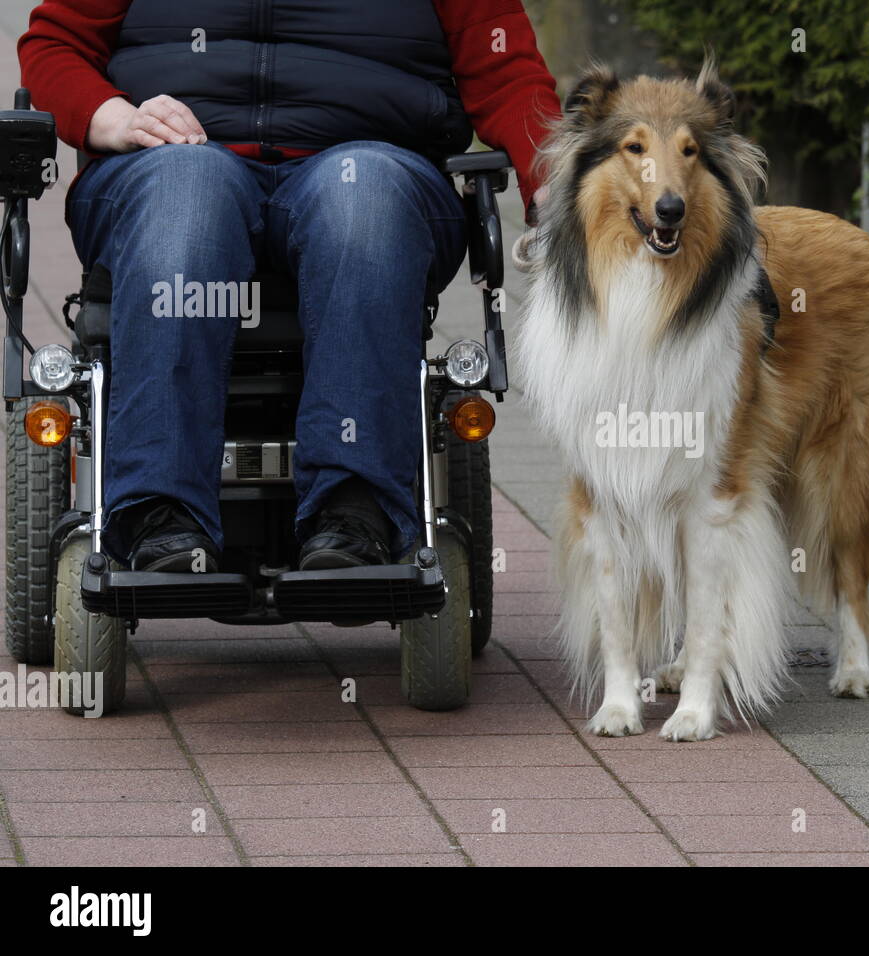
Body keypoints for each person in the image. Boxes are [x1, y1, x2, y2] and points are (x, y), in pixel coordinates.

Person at [17, 0, 560, 571]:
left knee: (362, 196)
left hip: (370, 164)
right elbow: (56, 45)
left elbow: (506, 70)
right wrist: (114, 118)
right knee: (188, 194)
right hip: (177, 161)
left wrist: (555, 185)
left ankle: (355, 511)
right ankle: (160, 511)